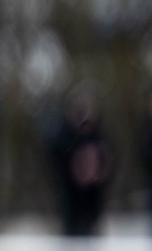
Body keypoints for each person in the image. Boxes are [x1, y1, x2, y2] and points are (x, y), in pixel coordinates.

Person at [44, 84, 110, 239]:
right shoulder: (65, 135)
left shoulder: (98, 136)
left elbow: (107, 164)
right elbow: (55, 159)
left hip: (92, 204)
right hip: (71, 204)